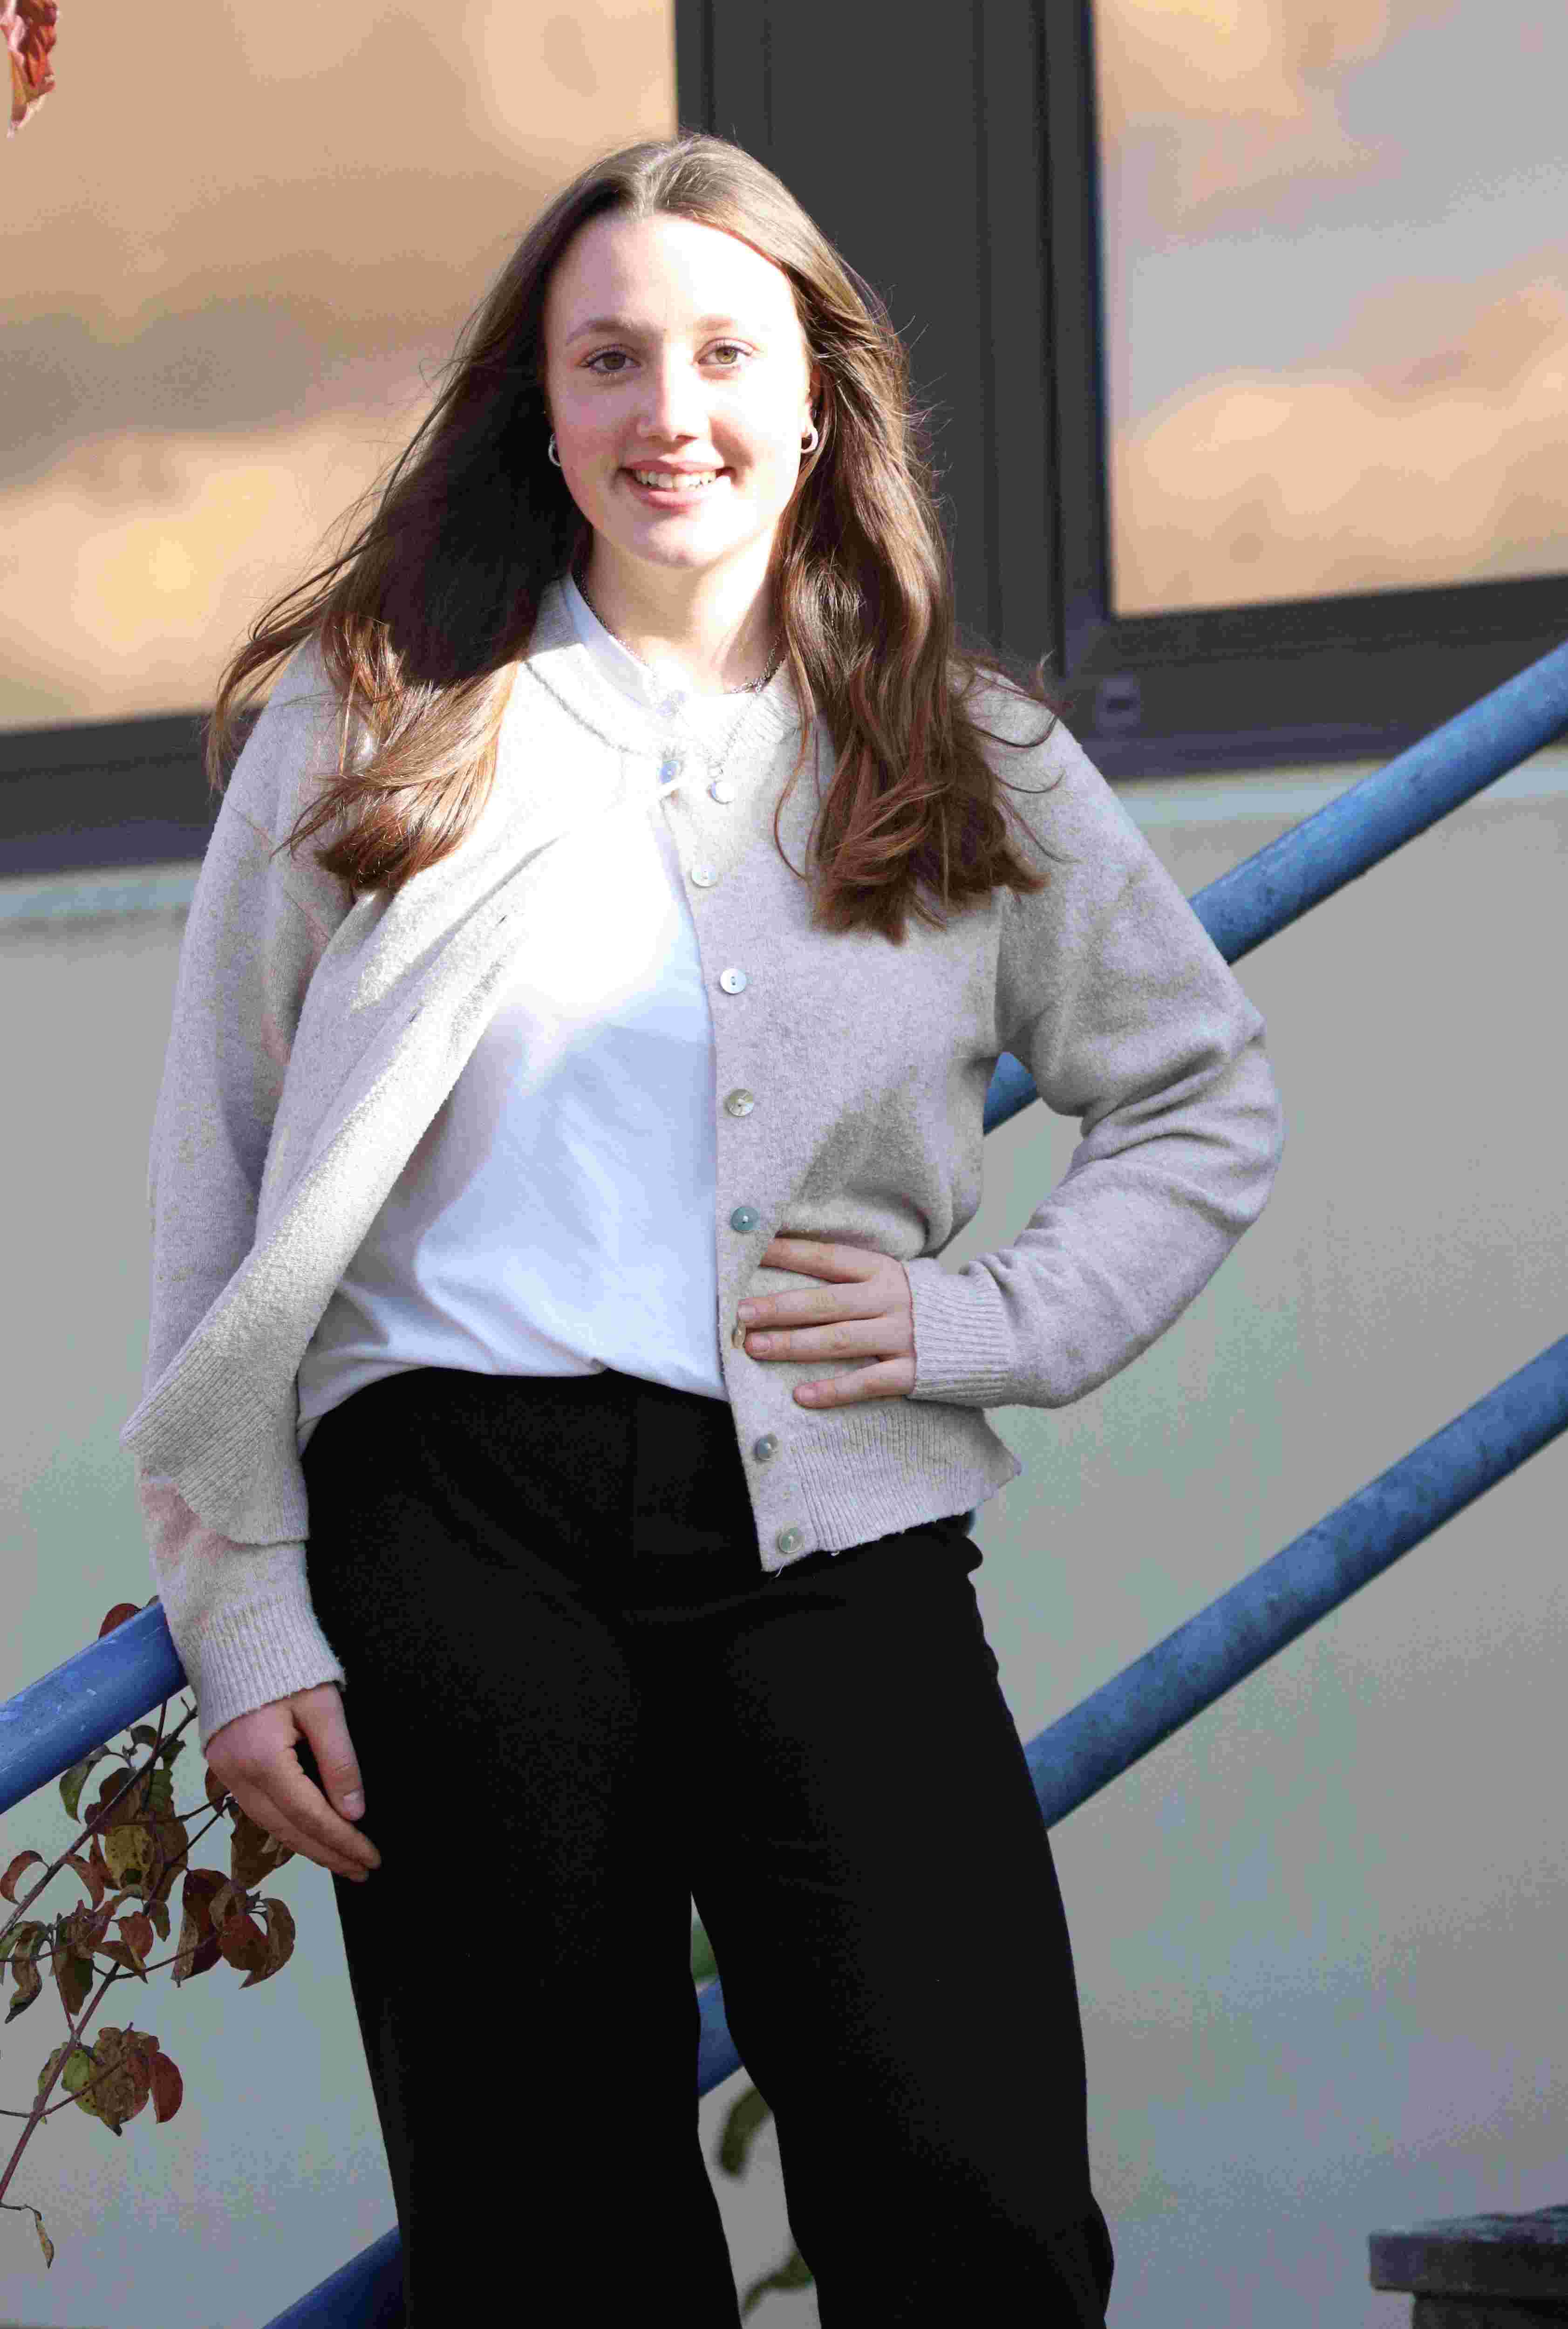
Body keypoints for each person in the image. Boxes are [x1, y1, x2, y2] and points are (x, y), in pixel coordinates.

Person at [122, 132, 1284, 2327]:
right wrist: (243, 1607)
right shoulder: (372, 719)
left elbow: (1196, 1092)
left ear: (818, 398)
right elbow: (218, 1184)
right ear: (541, 408)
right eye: (610, 358)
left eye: (726, 353)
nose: (672, 410)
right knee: (549, 2245)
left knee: (974, 2202)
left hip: (831, 1528)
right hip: (452, 1535)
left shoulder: (958, 749)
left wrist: (981, 1316)